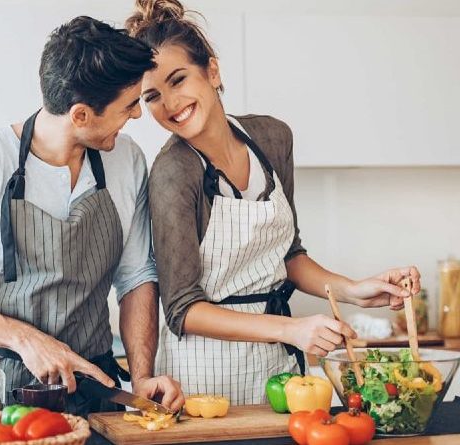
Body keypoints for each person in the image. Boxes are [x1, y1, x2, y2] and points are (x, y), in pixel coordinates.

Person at [125, 0, 422, 404]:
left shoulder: (272, 138)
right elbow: (182, 309)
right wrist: (291, 330)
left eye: (178, 80)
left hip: (279, 372)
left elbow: (289, 256)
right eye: (153, 96)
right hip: (204, 380)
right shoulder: (174, 173)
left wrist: (353, 290)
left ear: (212, 70)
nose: (170, 104)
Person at [0, 15, 185, 416]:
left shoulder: (127, 160)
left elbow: (136, 277)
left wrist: (140, 379)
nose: (136, 115)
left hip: (96, 392)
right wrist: (26, 339)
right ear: (81, 115)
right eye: (128, 106)